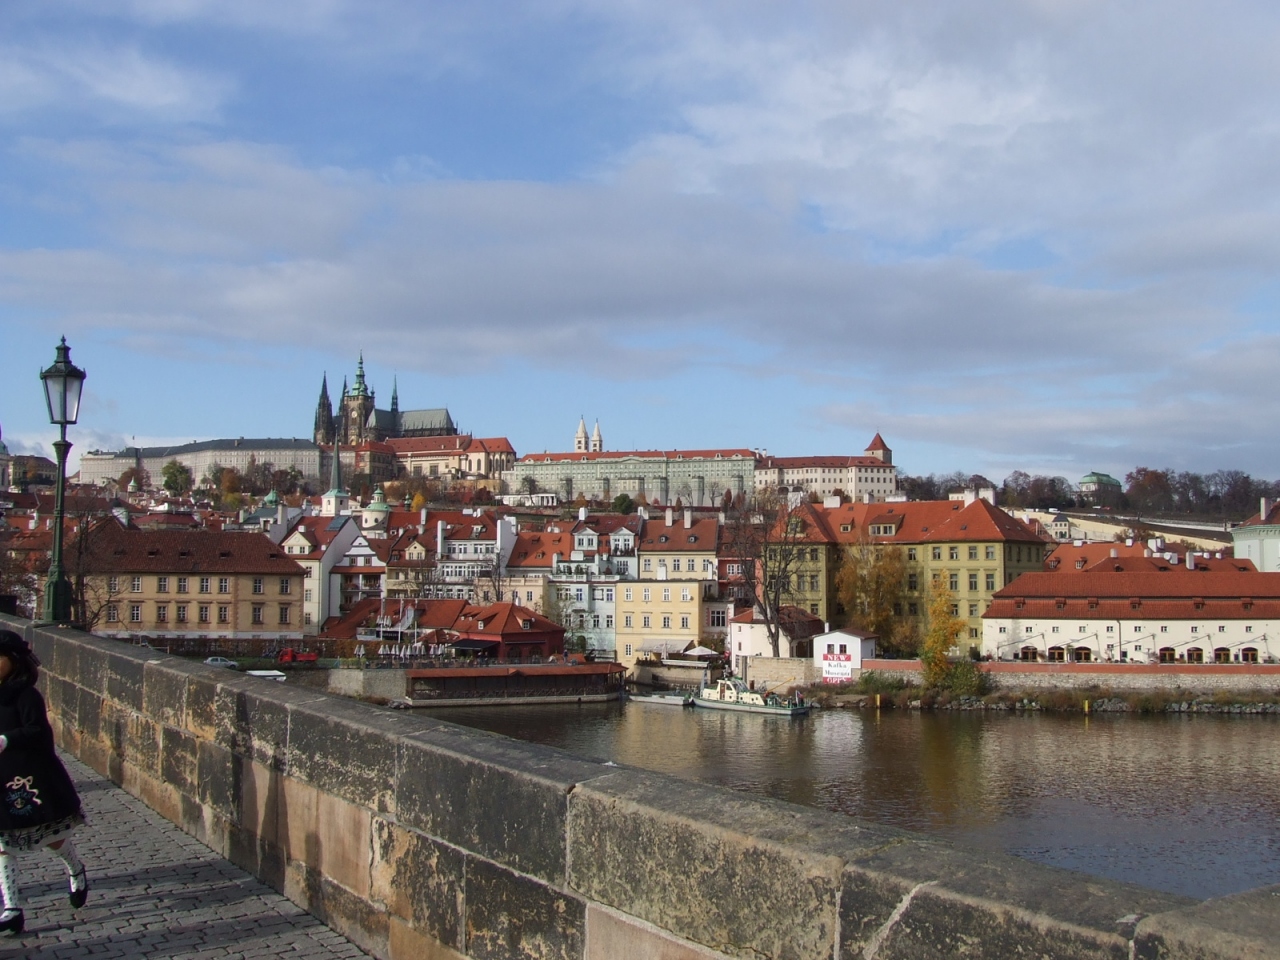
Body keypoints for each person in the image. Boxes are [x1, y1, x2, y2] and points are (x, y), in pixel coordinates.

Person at [0, 630, 88, 934]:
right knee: (2, 845)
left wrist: (6, 739)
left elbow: (38, 731)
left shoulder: (26, 695)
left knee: (51, 839)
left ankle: (75, 869)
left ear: (13, 661)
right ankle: (12, 908)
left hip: (28, 777)